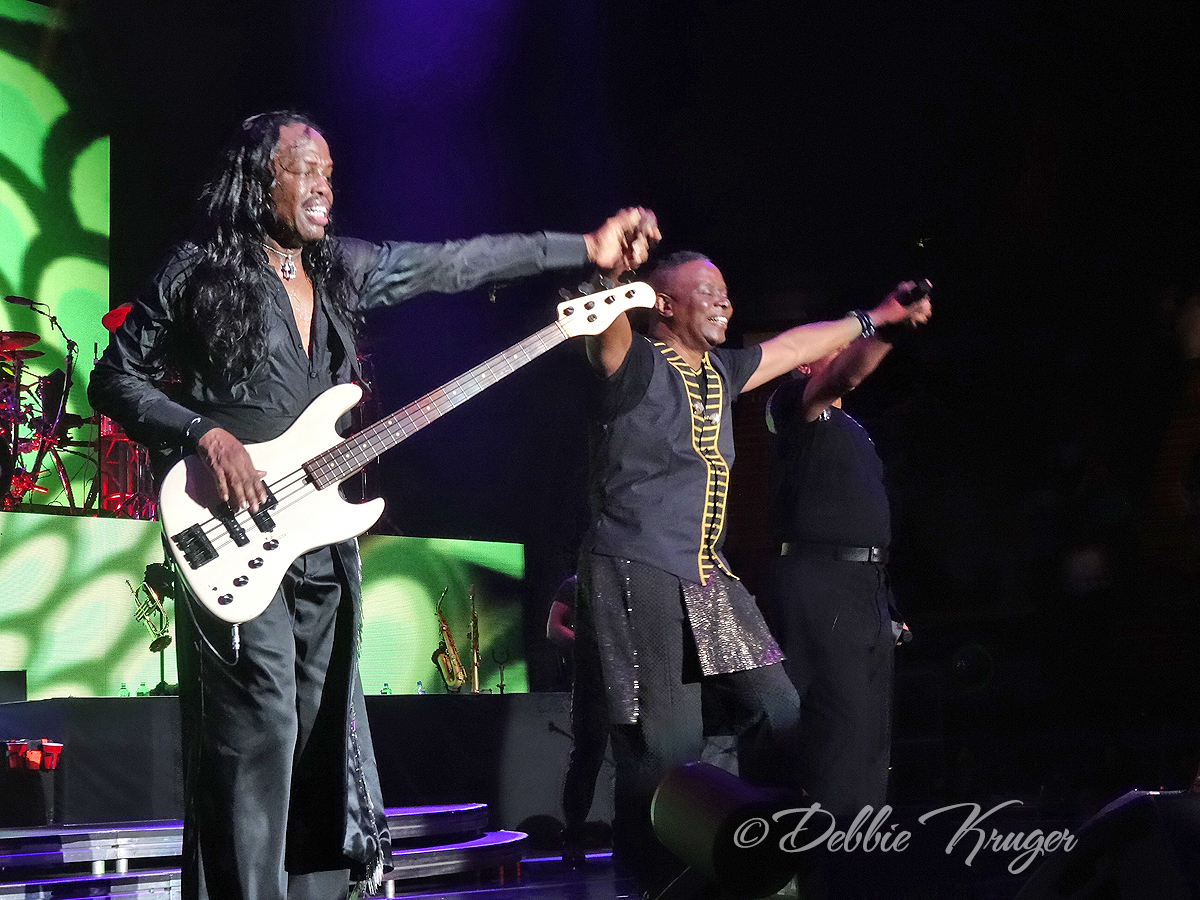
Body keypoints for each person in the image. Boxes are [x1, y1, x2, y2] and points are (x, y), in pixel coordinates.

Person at [88, 110, 659, 900]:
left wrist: (584, 249)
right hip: (229, 527)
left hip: (319, 536)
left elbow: (455, 263)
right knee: (260, 727)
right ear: (259, 179)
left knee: (318, 728)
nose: (324, 185)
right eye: (304, 168)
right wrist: (203, 434)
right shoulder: (198, 270)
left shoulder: (342, 268)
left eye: (329, 171)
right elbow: (114, 377)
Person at [578, 250, 931, 892]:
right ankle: (654, 878)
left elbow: (795, 347)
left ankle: (753, 841)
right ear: (663, 304)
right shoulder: (636, 362)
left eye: (725, 290)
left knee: (781, 707)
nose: (724, 301)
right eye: (706, 291)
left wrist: (877, 317)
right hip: (639, 568)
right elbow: (605, 331)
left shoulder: (721, 371)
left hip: (705, 575)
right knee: (665, 750)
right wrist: (611, 277)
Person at [759, 287, 930, 824]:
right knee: (839, 723)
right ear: (804, 362)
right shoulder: (792, 406)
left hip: (864, 588)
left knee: (871, 731)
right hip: (821, 583)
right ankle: (829, 844)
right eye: (834, 343)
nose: (845, 347)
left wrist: (888, 607)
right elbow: (843, 377)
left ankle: (864, 840)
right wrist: (890, 325)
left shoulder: (853, 429)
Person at [545, 573, 609, 862]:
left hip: (629, 681)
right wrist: (591, 648)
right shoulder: (576, 584)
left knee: (635, 759)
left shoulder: (628, 580)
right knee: (586, 758)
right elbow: (554, 628)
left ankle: (633, 834)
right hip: (591, 683)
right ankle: (573, 836)